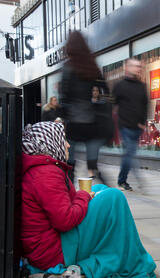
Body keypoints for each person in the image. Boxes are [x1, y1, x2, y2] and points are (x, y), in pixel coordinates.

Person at [21, 121, 157, 278]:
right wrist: (83, 196)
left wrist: (82, 196)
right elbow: (65, 220)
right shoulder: (46, 173)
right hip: (54, 253)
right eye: (63, 140)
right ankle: (127, 258)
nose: (68, 144)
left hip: (49, 244)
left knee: (99, 189)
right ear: (50, 142)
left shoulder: (42, 169)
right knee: (114, 198)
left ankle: (116, 249)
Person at [59, 31, 108, 183]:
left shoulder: (67, 67)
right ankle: (106, 190)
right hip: (90, 121)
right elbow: (105, 90)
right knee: (93, 163)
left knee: (70, 163)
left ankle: (69, 193)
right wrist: (99, 105)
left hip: (73, 122)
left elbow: (64, 97)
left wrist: (63, 117)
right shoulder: (91, 65)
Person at [112, 59, 148, 191]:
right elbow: (113, 104)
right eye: (135, 66)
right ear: (127, 68)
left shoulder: (142, 86)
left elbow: (145, 105)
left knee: (129, 154)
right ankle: (139, 180)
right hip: (125, 126)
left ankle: (122, 181)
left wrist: (143, 122)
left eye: (139, 66)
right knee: (130, 153)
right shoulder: (119, 85)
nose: (138, 68)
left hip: (137, 127)